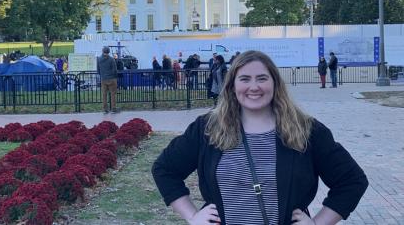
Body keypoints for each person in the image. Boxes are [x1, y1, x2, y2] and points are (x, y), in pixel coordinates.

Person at [152, 50, 368, 225]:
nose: (253, 87)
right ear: (232, 86)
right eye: (245, 79)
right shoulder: (207, 128)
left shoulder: (305, 130)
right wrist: (192, 216)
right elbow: (165, 169)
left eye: (262, 79)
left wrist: (319, 223)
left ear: (275, 84)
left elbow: (352, 180)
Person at [97, 46, 118, 114]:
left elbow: (98, 70)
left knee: (104, 95)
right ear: (108, 52)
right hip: (112, 79)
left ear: (103, 51)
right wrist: (114, 76)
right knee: (113, 94)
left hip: (103, 79)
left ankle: (105, 109)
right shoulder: (111, 59)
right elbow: (115, 69)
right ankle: (113, 109)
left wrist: (102, 75)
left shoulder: (99, 59)